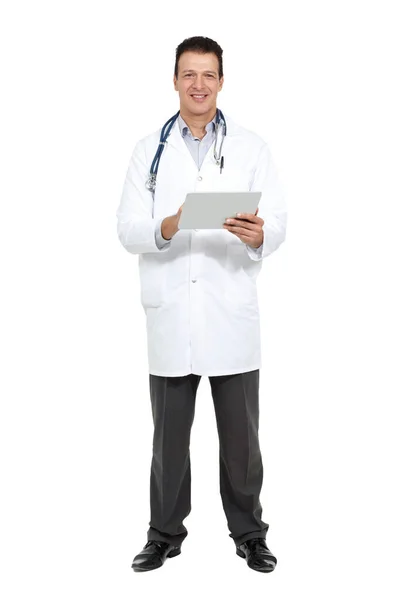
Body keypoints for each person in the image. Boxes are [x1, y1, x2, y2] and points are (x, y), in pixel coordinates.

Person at [116, 36, 287, 573]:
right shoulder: (149, 150)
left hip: (230, 312)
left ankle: (250, 533)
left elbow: (278, 221)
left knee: (242, 441)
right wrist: (168, 224)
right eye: (188, 74)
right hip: (171, 315)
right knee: (168, 441)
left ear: (220, 81)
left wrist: (259, 234)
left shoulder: (252, 147)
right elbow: (126, 228)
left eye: (208, 74)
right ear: (174, 80)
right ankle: (163, 533)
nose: (198, 84)